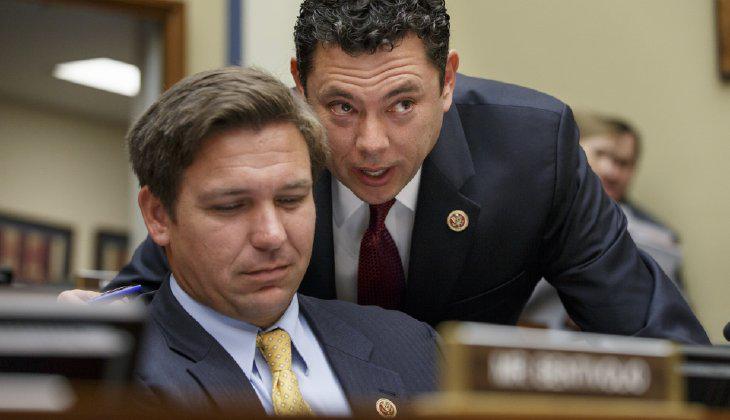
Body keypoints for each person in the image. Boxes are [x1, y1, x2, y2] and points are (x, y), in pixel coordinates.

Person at [61, 0, 708, 344]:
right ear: (300, 86)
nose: (371, 145)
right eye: (341, 107)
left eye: (402, 104)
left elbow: (654, 336)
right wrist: (94, 318)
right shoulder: (269, 152)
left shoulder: (533, 150)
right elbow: (157, 281)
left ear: (447, 81)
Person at [128, 67, 438, 414]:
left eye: (290, 200)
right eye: (231, 206)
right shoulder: (111, 384)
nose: (272, 235)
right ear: (158, 215)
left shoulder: (413, 346)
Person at [521, 112, 686, 329]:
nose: (611, 172)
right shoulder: (525, 210)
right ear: (571, 149)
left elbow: (676, 320)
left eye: (623, 163)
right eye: (601, 154)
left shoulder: (660, 237)